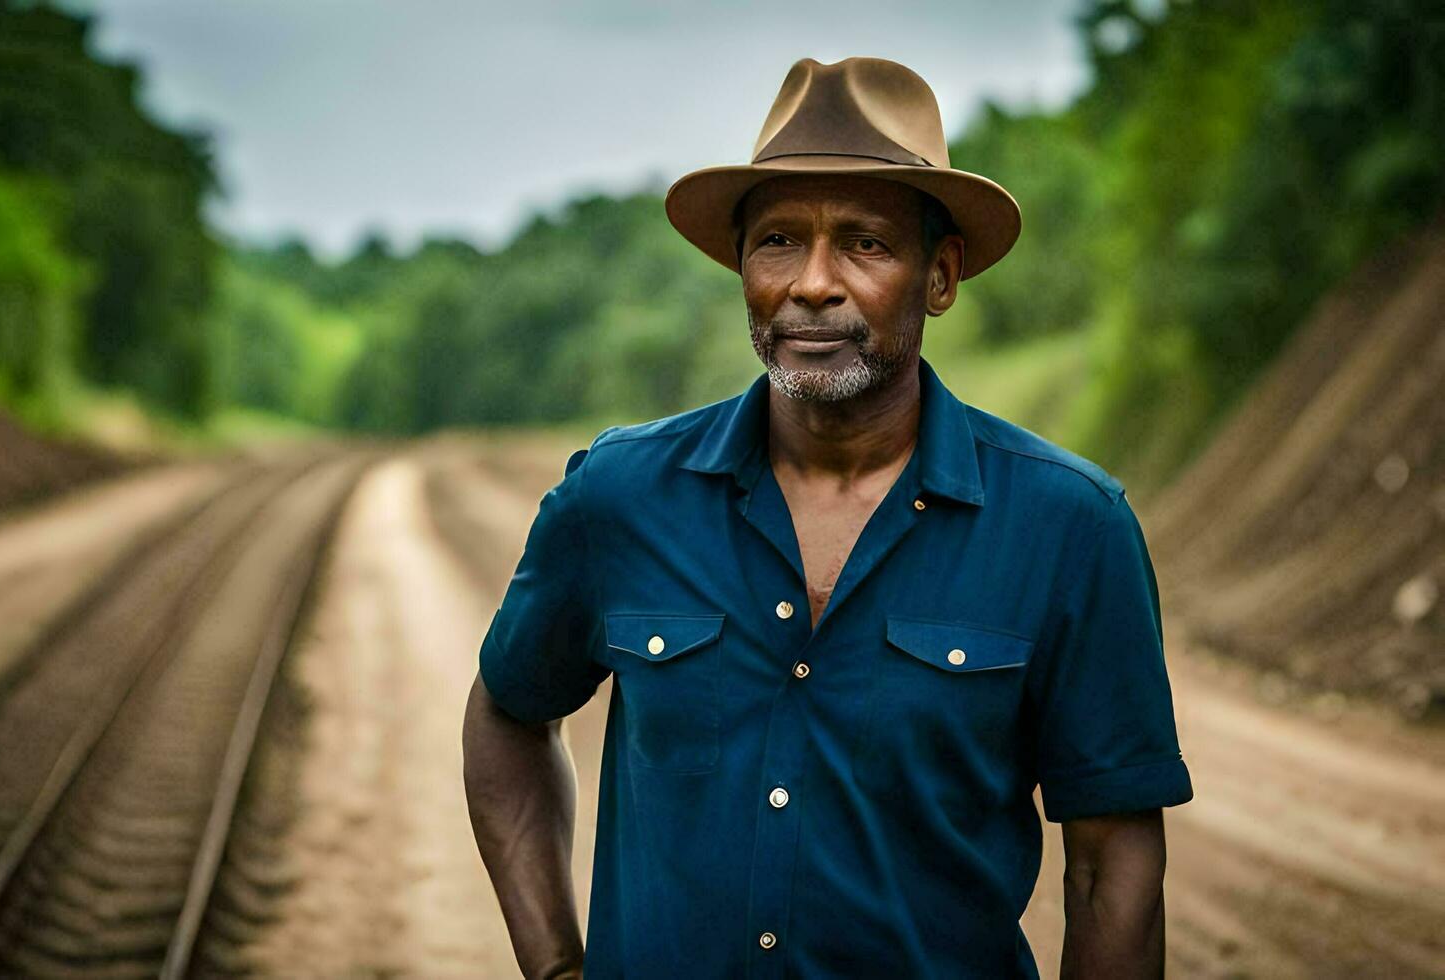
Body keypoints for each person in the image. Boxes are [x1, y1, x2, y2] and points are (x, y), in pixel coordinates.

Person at [462, 56, 1193, 979]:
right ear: (742, 270)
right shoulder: (618, 496)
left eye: (865, 244)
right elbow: (507, 715)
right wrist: (556, 966)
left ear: (941, 275)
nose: (813, 283)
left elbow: (1112, 864)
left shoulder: (1070, 527)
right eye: (776, 241)